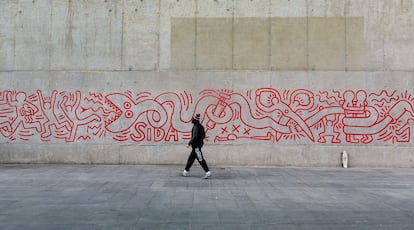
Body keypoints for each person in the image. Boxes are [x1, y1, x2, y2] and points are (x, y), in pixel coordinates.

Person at [182, 113, 211, 179]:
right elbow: (203, 136)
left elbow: (194, 136)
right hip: (197, 146)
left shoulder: (195, 127)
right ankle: (185, 171)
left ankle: (207, 172)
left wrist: (189, 143)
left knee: (200, 159)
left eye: (193, 119)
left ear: (195, 120)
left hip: (196, 147)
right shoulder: (201, 126)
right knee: (190, 159)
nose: (191, 120)